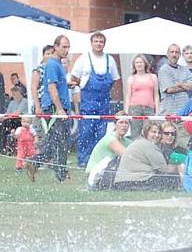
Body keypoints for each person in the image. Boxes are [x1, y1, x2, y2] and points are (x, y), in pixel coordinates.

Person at [68, 31, 121, 167]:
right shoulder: (83, 59)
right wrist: (82, 85)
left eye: (101, 41)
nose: (98, 44)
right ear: (91, 43)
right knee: (86, 131)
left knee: (101, 133)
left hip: (104, 102)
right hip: (88, 102)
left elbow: (115, 79)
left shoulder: (110, 60)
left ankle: (98, 161)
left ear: (104, 44)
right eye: (96, 41)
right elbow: (74, 78)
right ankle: (84, 161)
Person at [37, 35, 72, 182]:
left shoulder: (59, 64)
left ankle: (35, 162)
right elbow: (51, 88)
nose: (66, 50)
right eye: (64, 46)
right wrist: (59, 109)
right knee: (60, 142)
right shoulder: (52, 64)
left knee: (56, 141)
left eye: (68, 47)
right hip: (53, 108)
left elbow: (58, 86)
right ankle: (61, 175)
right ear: (55, 47)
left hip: (60, 106)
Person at [114, 121, 181, 190]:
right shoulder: (148, 145)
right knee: (172, 178)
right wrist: (176, 168)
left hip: (123, 182)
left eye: (159, 133)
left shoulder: (140, 142)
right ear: (146, 132)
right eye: (153, 132)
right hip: (133, 182)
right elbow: (163, 169)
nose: (157, 135)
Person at [86, 115, 132, 188]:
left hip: (108, 173)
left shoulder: (127, 141)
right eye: (121, 122)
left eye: (126, 123)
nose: (124, 125)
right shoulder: (110, 138)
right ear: (115, 124)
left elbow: (136, 154)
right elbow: (126, 155)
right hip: (94, 175)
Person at [124, 54, 159, 138]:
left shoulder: (153, 77)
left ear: (145, 64)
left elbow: (156, 95)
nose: (139, 64)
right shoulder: (131, 78)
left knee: (149, 132)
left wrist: (157, 111)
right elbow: (128, 96)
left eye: (141, 62)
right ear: (134, 65)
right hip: (134, 108)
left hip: (149, 108)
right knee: (135, 133)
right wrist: (126, 112)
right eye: (137, 63)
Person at [158, 44, 192, 115]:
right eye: (172, 52)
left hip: (183, 112)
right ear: (167, 54)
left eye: (176, 52)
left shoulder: (184, 69)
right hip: (168, 112)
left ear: (179, 55)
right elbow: (170, 90)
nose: (174, 54)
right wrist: (186, 87)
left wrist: (180, 84)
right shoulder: (164, 69)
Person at [14, 117, 36, 181]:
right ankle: (19, 168)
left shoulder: (31, 129)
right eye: (24, 122)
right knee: (20, 156)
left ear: (30, 123)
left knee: (32, 155)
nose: (25, 124)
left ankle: (33, 167)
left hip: (30, 145)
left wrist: (35, 140)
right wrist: (14, 134)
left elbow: (35, 135)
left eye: (27, 122)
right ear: (21, 122)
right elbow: (16, 136)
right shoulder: (19, 129)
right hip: (21, 146)